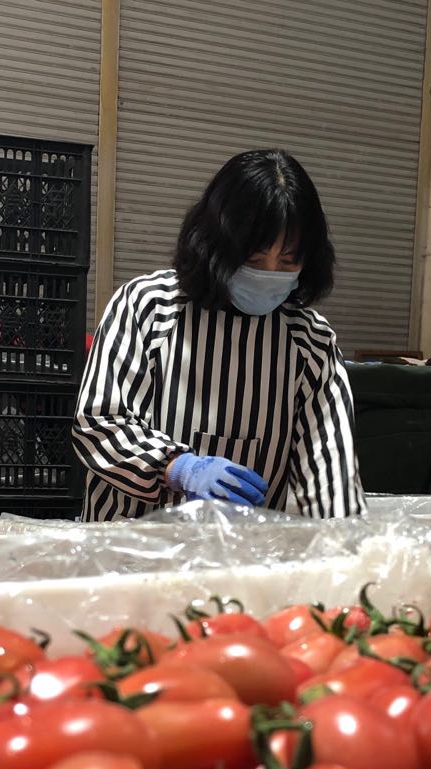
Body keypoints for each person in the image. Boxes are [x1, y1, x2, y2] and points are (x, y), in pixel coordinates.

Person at [73, 149, 366, 522]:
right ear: (215, 244)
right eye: (255, 260)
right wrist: (178, 467)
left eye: (288, 261)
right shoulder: (148, 307)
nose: (270, 273)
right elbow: (98, 423)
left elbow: (330, 474)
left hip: (239, 565)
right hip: (128, 556)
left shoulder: (311, 344)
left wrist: (347, 550)